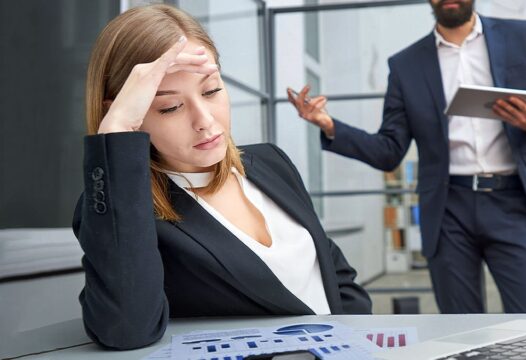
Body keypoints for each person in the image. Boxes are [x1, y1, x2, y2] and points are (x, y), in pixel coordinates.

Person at [74, 4, 371, 350]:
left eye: (212, 90)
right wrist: (116, 134)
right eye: (170, 107)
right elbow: (125, 330)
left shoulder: (269, 162)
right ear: (130, 113)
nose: (205, 120)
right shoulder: (122, 208)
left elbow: (335, 275)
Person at [288, 0, 526, 314]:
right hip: (448, 211)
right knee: (462, 331)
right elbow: (388, 150)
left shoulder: (521, 36)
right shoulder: (406, 66)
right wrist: (330, 125)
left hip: (513, 202)